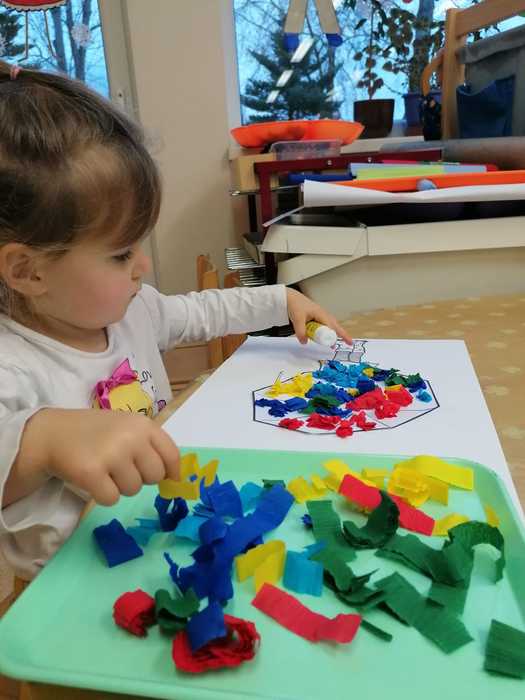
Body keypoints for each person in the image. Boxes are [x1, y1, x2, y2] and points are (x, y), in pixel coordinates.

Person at [0, 61, 351, 580]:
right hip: (66, 582)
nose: (142, 265)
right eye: (121, 254)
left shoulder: (134, 310)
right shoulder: (12, 366)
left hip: (163, 546)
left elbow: (203, 311)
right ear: (28, 271)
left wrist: (281, 301)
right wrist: (41, 442)